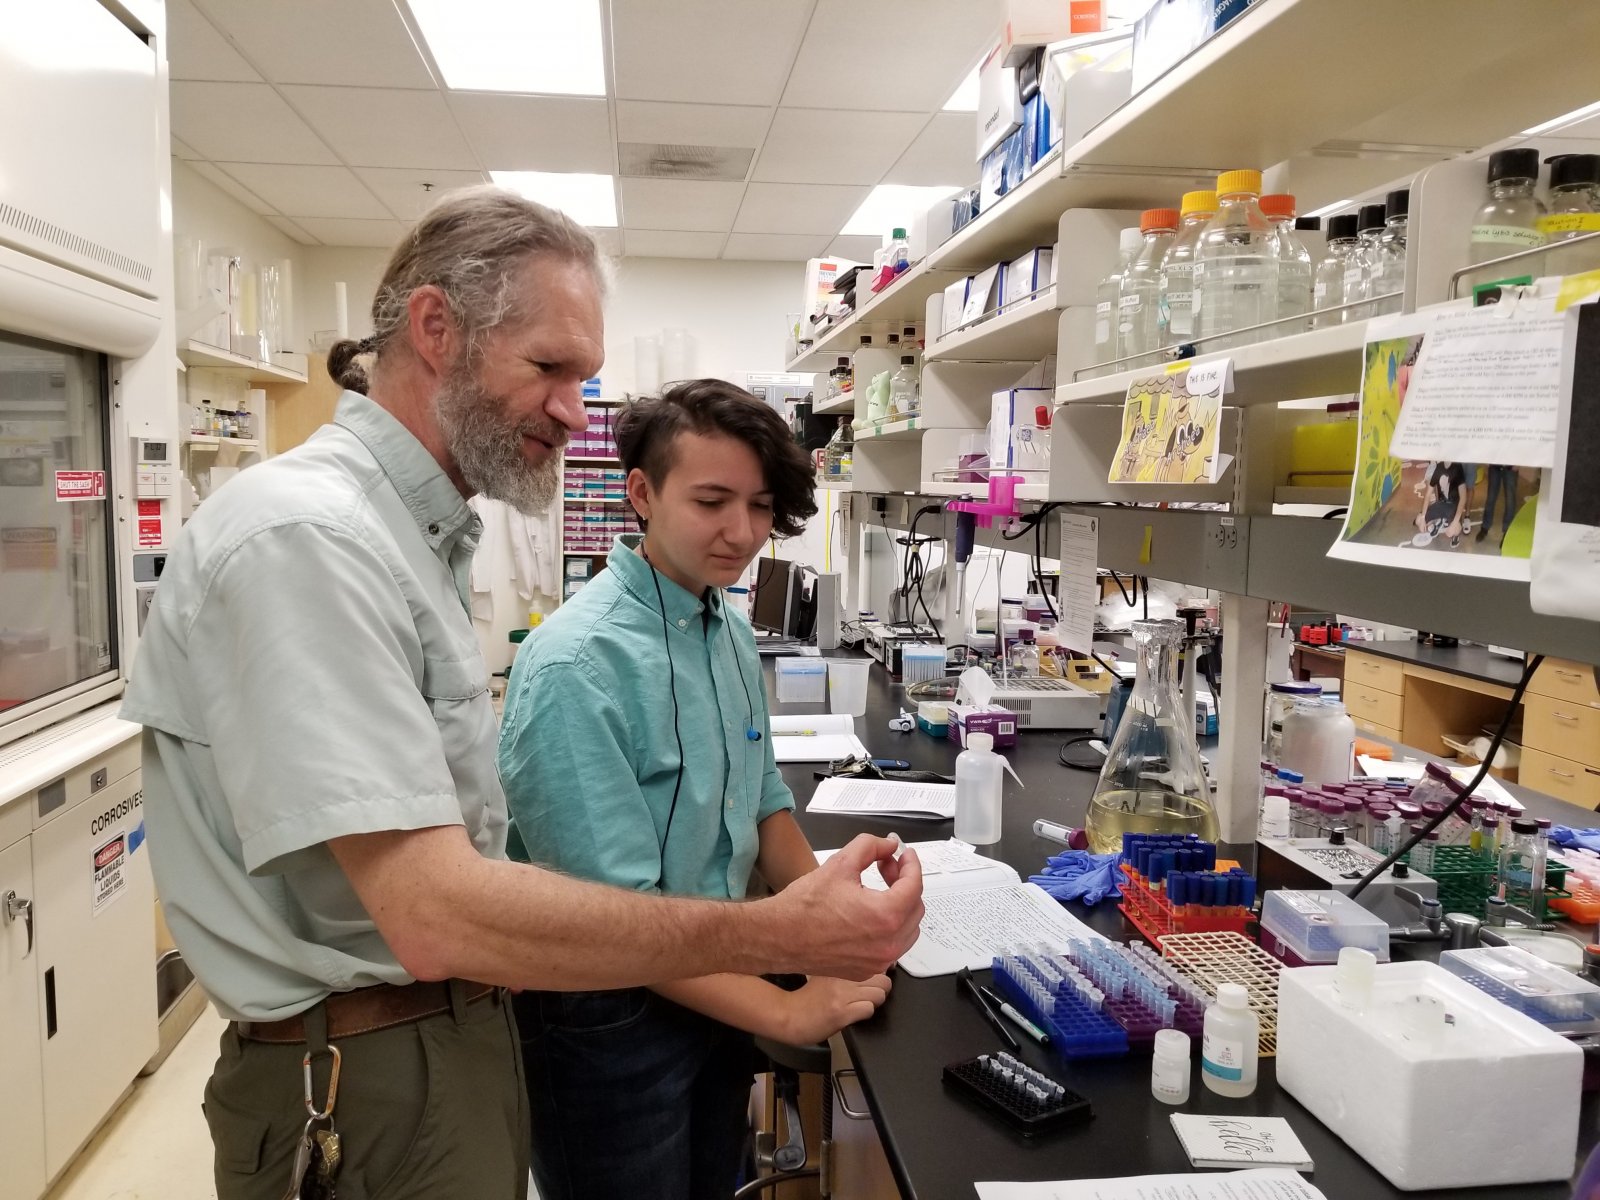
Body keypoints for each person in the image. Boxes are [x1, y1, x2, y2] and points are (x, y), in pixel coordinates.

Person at [119, 188, 923, 1200]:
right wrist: (783, 937)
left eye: (582, 378)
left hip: (450, 1038)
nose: (573, 411)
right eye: (549, 367)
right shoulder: (309, 539)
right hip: (366, 1072)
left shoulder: (412, 543)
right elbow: (431, 914)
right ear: (434, 328)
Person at [497, 380, 889, 1198]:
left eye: (758, 504)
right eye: (711, 501)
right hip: (608, 1018)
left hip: (719, 981)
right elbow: (610, 919)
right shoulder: (576, 666)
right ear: (641, 492)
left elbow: (763, 798)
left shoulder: (725, 626)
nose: (742, 532)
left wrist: (834, 916)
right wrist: (785, 1010)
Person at [1414, 460, 1468, 547]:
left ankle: (1455, 534)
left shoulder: (1457, 467)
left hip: (1453, 506)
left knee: (1454, 531)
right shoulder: (1439, 467)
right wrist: (1423, 517)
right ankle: (1438, 522)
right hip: (1441, 503)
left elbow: (1463, 497)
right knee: (1418, 520)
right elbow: (1428, 495)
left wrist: (1455, 522)